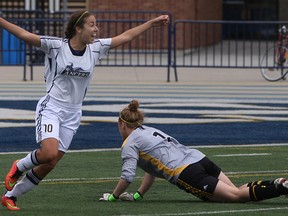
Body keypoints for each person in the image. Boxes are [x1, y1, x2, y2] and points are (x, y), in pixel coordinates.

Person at [0, 11, 169, 211]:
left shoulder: (96, 49)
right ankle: (18, 167)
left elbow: (127, 36)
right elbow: (24, 35)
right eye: (92, 24)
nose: (96, 29)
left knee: (50, 163)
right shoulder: (56, 46)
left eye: (96, 25)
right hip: (51, 107)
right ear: (78, 28)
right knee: (48, 153)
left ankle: (11, 196)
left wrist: (151, 23)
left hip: (73, 114)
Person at [99, 99, 288, 203]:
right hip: (199, 158)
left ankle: (281, 188)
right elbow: (152, 170)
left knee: (235, 197)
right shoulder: (148, 130)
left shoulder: (129, 143)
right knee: (235, 191)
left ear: (122, 124)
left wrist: (113, 196)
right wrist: (139, 195)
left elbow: (127, 177)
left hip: (186, 172)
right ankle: (276, 183)